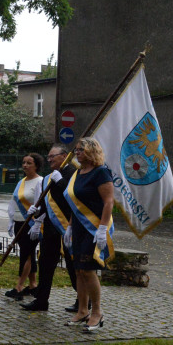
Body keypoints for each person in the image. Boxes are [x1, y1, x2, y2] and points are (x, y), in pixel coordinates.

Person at [63, 137, 115, 332]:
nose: (77, 153)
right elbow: (74, 203)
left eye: (81, 150)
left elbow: (109, 202)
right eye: (76, 149)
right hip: (77, 226)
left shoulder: (101, 172)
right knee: (78, 270)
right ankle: (82, 310)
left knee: (88, 270)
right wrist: (69, 226)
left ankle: (97, 312)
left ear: (92, 151)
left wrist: (102, 229)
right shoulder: (78, 173)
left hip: (94, 228)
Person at [21, 145, 79, 312]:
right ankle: (41, 300)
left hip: (69, 227)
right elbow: (48, 203)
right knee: (45, 265)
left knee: (72, 266)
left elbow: (73, 197)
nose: (49, 160)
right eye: (48, 157)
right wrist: (37, 212)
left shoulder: (74, 173)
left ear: (64, 156)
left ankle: (83, 300)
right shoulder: (48, 178)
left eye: (53, 156)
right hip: (51, 228)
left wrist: (60, 181)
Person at [4, 152, 44, 301]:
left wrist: (38, 222)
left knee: (26, 254)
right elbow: (13, 201)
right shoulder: (21, 182)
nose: (25, 165)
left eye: (29, 163)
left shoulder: (41, 182)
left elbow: (43, 204)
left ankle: (19, 287)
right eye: (24, 163)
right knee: (28, 253)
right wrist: (11, 219)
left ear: (37, 166)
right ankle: (33, 285)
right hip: (19, 221)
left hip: (32, 223)